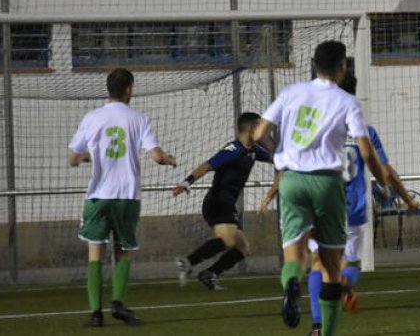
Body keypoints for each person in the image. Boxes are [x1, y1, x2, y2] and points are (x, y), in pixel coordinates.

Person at [250, 41, 398, 336]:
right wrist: (382, 181)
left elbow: (258, 134)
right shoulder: (347, 101)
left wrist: (280, 154)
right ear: (342, 67)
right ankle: (325, 333)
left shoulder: (292, 93)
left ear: (314, 64)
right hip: (327, 183)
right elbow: (366, 151)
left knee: (296, 256)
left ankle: (292, 282)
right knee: (332, 266)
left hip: (291, 179)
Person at [68, 67, 176, 328]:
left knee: (95, 253)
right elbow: (156, 156)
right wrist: (169, 159)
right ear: (129, 88)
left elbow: (73, 159)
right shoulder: (139, 119)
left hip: (98, 196)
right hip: (126, 196)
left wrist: (91, 157)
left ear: (109, 89)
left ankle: (96, 313)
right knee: (124, 252)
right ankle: (118, 303)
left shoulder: (92, 118)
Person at [172, 111, 273, 290]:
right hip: (217, 202)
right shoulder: (233, 150)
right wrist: (187, 182)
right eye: (260, 126)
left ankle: (210, 274)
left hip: (227, 203)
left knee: (242, 247)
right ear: (252, 129)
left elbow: (276, 159)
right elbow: (207, 165)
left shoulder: (253, 150)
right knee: (228, 240)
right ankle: (188, 262)